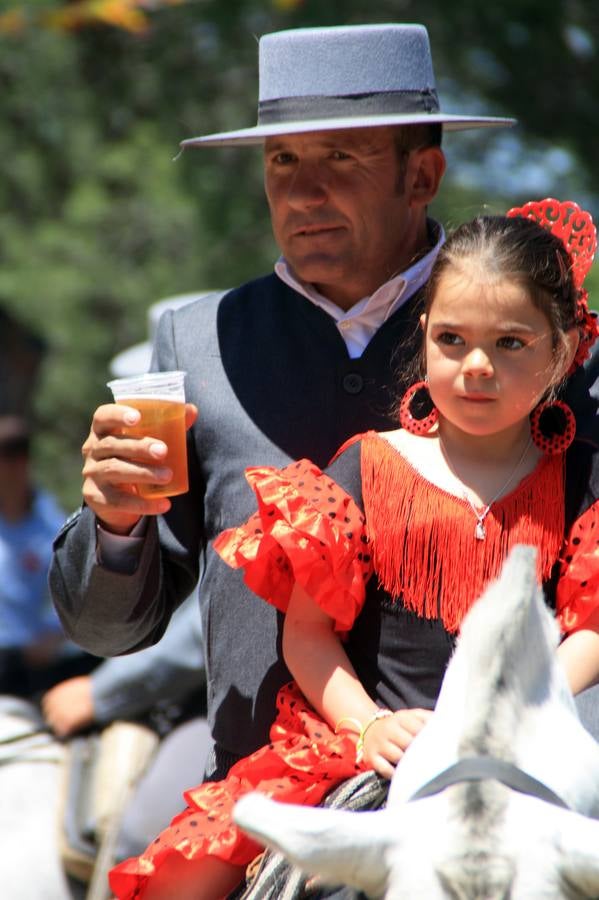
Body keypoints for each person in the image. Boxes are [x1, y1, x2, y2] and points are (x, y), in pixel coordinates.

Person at [49, 23, 515, 786]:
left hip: (487, 793)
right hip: (262, 800)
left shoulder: (523, 332)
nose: (302, 192)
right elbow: (110, 630)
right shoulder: (199, 344)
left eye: (340, 158)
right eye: (282, 160)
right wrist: (116, 522)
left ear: (422, 175)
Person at [107, 197, 599, 899]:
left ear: (560, 350)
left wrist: (517, 712)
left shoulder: (584, 478)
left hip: (534, 754)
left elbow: (592, 627)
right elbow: (306, 635)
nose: (476, 366)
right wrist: (367, 727)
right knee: (182, 884)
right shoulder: (362, 468)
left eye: (510, 343)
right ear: (423, 335)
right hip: (378, 753)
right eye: (452, 340)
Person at [0, 415, 95, 697]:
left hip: (39, 664)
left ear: (24, 462)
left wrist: (54, 637)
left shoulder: (52, 525)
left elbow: (76, 592)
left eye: (14, 456)